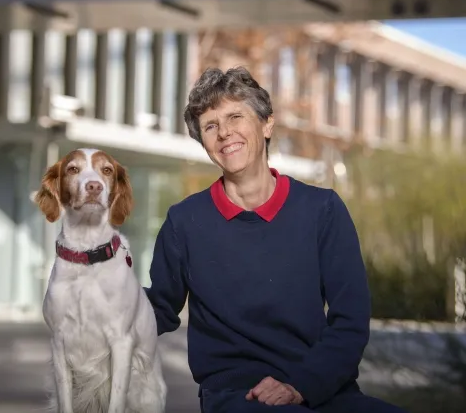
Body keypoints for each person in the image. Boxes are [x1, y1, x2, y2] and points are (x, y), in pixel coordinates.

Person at [144, 66, 407, 413]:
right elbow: (158, 309)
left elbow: (350, 321)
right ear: (203, 142)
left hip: (321, 389)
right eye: (210, 126)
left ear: (267, 123)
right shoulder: (185, 222)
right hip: (238, 396)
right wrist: (99, 293)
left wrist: (300, 385)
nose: (224, 132)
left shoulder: (322, 210)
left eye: (235, 116)